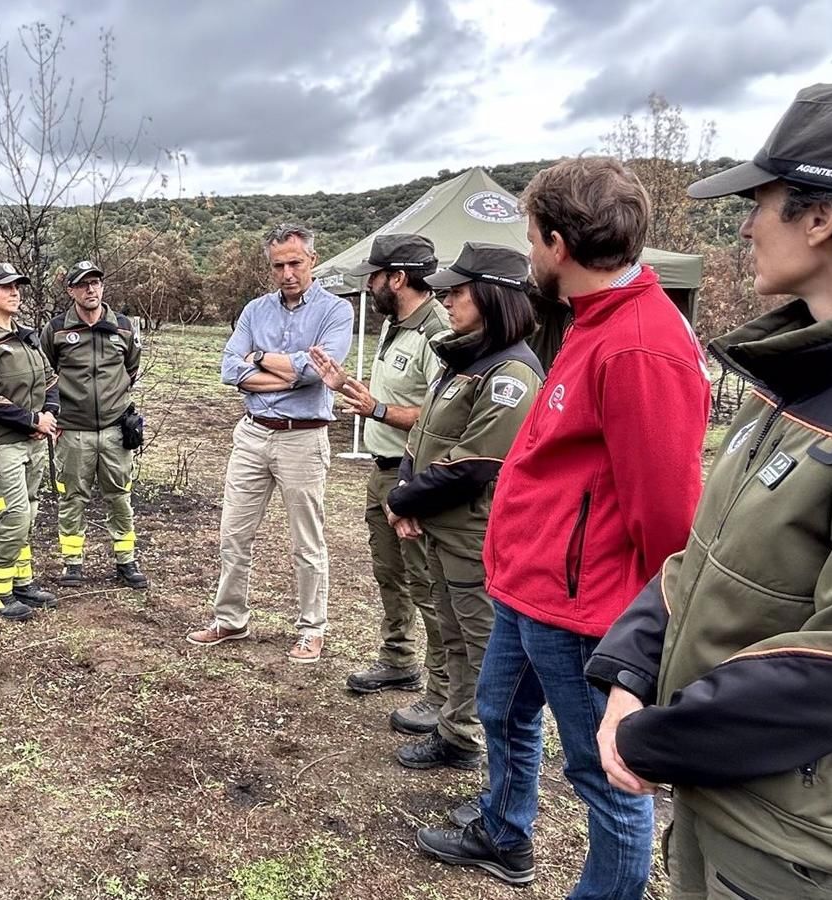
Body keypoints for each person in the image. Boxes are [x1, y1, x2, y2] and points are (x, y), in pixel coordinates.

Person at [592, 80, 832, 899]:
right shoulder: (805, 370)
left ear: (822, 219)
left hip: (817, 854)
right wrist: (632, 670)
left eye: (762, 202)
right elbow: (704, 554)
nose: (743, 226)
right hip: (731, 809)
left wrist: (653, 742)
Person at [415, 157, 710, 898]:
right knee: (501, 710)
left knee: (601, 772)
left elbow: (668, 514)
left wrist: (638, 645)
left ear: (556, 243)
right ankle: (504, 834)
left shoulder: (641, 344)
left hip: (582, 607)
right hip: (528, 587)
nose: (529, 251)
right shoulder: (593, 321)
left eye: (529, 235)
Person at [380, 243, 541, 773]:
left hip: (474, 534)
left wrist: (403, 497)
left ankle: (480, 748)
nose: (447, 300)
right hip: (440, 527)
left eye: (459, 291)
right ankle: (455, 729)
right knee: (453, 633)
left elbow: (473, 463)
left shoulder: (510, 374)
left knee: (481, 645)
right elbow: (423, 436)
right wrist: (404, 491)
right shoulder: (464, 359)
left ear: (494, 297)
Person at [187, 223, 354, 663]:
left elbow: (316, 372)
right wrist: (285, 373)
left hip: (304, 437)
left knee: (306, 540)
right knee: (233, 533)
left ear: (312, 260)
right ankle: (230, 619)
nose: (287, 272)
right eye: (278, 265)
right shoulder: (254, 311)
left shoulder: (336, 311)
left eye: (295, 262)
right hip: (253, 432)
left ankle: (311, 628)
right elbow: (227, 368)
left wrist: (258, 358)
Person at [317, 233, 452, 729]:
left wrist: (377, 408)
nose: (368, 286)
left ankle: (444, 693)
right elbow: (392, 398)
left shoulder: (438, 330)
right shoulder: (398, 325)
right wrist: (346, 387)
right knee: (389, 574)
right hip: (382, 469)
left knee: (427, 585)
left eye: (373, 277)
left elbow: (444, 416)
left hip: (413, 475)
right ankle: (398, 660)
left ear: (397, 278)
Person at [0, 262, 61, 621]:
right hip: (2, 445)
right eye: (6, 287)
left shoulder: (27, 336)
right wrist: (33, 420)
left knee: (30, 512)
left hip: (35, 442)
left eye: (18, 286)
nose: (15, 292)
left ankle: (23, 582)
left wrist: (48, 417)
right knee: (13, 516)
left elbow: (51, 380)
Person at [41, 260, 149, 590]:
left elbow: (131, 368)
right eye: (83, 284)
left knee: (120, 496)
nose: (91, 289)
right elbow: (47, 373)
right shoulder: (56, 329)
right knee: (73, 498)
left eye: (96, 283)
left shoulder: (123, 327)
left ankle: (125, 561)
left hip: (116, 431)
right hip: (73, 431)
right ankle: (72, 564)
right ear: (71, 290)